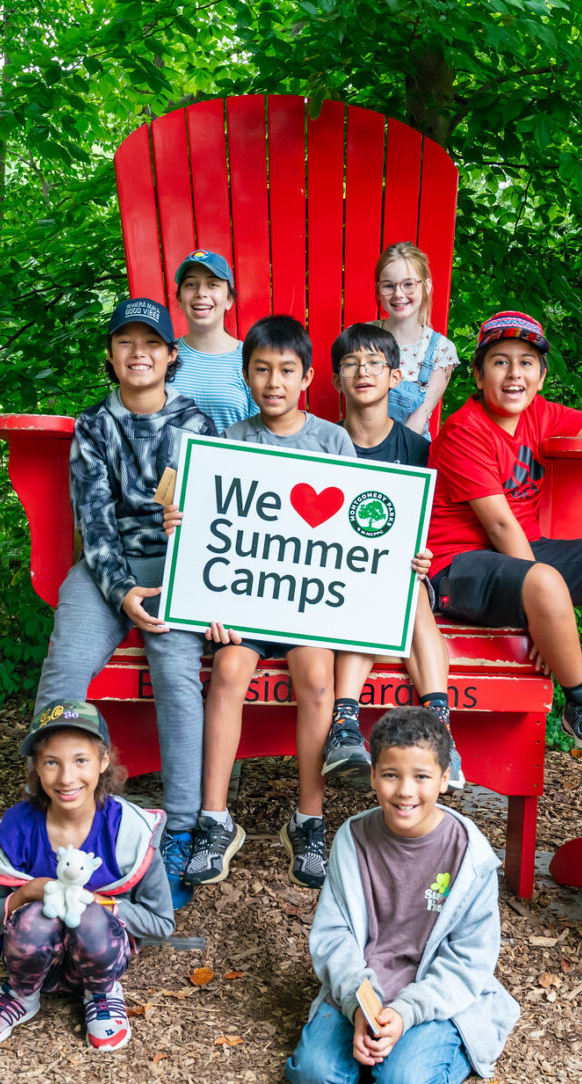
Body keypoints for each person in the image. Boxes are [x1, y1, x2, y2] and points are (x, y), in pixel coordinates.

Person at [32, 296, 213, 910]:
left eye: (151, 343)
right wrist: (122, 592)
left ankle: (182, 829)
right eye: (126, 343)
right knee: (64, 672)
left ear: (169, 355)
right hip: (109, 569)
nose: (139, 353)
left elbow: (215, 522)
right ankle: (58, 813)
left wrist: (181, 577)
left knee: (175, 669)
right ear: (111, 356)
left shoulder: (195, 422)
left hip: (177, 565)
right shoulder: (94, 426)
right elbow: (96, 525)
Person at [426, 310, 582, 753]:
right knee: (544, 580)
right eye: (499, 361)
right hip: (456, 570)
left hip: (525, 555)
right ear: (478, 376)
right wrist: (536, 612)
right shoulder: (464, 430)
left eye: (526, 362)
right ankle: (580, 698)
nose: (514, 373)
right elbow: (500, 526)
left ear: (541, 376)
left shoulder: (541, 413)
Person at [169, 315, 350, 892]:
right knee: (227, 669)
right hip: (243, 604)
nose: (274, 381)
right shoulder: (227, 441)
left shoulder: (331, 440)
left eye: (286, 370)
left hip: (308, 605)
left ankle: (310, 819)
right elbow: (209, 532)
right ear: (246, 375)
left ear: (308, 377)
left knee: (318, 677)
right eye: (262, 369)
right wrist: (182, 528)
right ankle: (214, 819)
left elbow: (352, 534)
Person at [284, 707, 516, 1084]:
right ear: (373, 776)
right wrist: (360, 1007)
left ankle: (449, 1046)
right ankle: (378, 1047)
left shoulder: (469, 855)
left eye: (422, 777)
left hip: (436, 994)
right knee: (313, 1075)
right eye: (391, 775)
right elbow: (334, 935)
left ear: (445, 779)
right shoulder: (353, 838)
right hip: (365, 990)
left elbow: (469, 957)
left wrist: (405, 1014)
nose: (406, 791)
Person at [0, 700, 173, 1052]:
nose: (66, 778)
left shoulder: (129, 829)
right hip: (30, 962)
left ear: (103, 761)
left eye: (81, 760)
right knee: (37, 913)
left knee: (90, 917)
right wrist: (25, 893)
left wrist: (98, 902)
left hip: (99, 957)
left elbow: (162, 924)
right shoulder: (15, 827)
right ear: (37, 769)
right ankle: (21, 994)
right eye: (51, 763)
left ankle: (102, 993)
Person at [320, 322, 463, 793]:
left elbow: (435, 525)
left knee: (404, 589)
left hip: (401, 579)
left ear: (395, 377)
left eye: (374, 363)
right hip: (333, 577)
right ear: (337, 380)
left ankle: (438, 724)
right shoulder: (322, 444)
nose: (362, 372)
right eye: (350, 364)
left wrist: (425, 555)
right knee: (374, 590)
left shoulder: (418, 451)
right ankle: (344, 725)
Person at [372, 242, 459, 436]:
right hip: (361, 444)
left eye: (408, 284)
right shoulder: (363, 336)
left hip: (409, 447)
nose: (398, 294)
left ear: (426, 286)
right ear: (379, 288)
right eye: (388, 286)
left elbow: (420, 417)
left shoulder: (440, 349)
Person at [169, 249, 257, 431]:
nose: (201, 293)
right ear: (179, 299)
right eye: (191, 284)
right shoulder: (162, 356)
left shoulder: (251, 360)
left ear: (229, 300)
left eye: (213, 284)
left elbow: (262, 432)